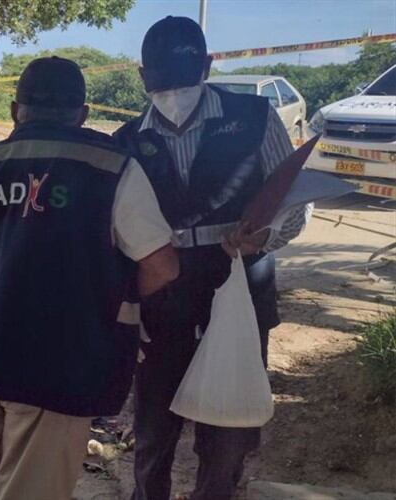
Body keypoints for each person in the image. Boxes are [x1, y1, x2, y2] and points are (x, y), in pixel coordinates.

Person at [0, 57, 180, 500]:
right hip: (58, 365)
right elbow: (163, 266)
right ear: (83, 113)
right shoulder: (112, 168)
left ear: (16, 111)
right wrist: (108, 296)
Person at [114, 16, 312, 500]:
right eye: (163, 83)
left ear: (207, 65)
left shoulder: (256, 118)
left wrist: (263, 235)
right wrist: (125, 306)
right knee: (154, 429)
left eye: (184, 79)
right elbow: (116, 237)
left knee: (227, 433)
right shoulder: (123, 143)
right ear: (143, 78)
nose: (173, 94)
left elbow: (294, 203)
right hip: (161, 301)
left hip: (239, 291)